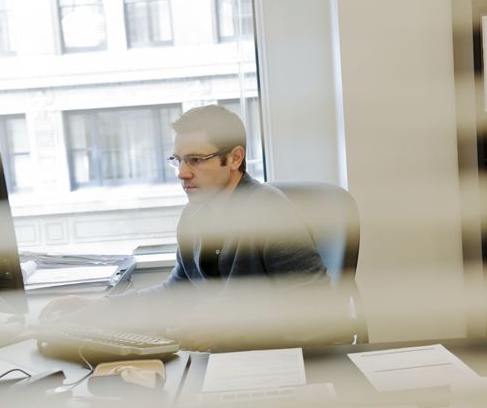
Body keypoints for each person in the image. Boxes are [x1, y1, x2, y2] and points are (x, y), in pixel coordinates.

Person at [39, 104, 329, 329]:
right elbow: (178, 292)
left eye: (196, 160)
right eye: (178, 160)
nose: (182, 173)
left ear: (235, 158)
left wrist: (227, 331)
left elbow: (317, 311)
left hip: (271, 364)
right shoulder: (195, 215)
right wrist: (102, 306)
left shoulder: (271, 212)